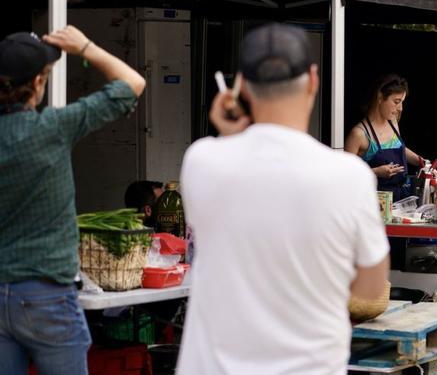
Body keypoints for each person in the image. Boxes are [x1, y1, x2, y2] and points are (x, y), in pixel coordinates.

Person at [176, 23, 390, 375]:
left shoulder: (202, 161)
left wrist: (235, 133)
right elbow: (370, 288)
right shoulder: (349, 176)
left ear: (240, 86)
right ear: (313, 80)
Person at [0, 27, 145, 375]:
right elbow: (132, 83)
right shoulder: (54, 127)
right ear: (37, 83)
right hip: (47, 293)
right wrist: (85, 47)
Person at [344, 74, 433, 200]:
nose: (400, 108)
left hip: (402, 199)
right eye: (396, 102)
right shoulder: (359, 134)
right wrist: (376, 172)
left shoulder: (393, 122)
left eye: (402, 102)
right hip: (374, 203)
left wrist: (423, 163)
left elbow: (399, 148)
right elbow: (345, 175)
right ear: (380, 97)